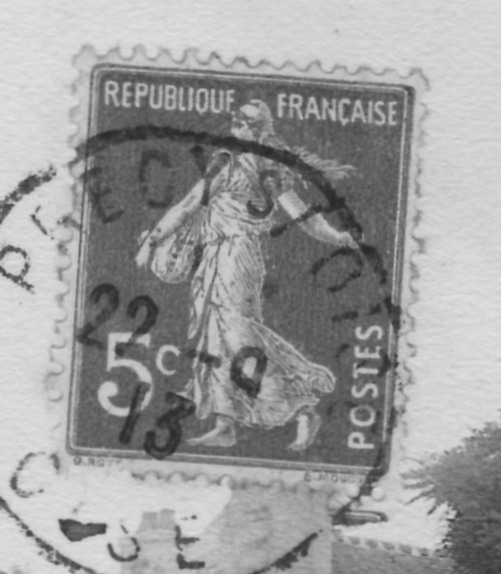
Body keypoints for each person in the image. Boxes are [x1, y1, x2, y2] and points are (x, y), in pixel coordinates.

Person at [133, 99, 361, 453]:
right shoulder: (255, 165)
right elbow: (304, 217)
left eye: (248, 124)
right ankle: (226, 424)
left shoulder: (249, 165)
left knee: (238, 338)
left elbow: (189, 205)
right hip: (219, 255)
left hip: (234, 255)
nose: (241, 129)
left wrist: (152, 241)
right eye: (240, 122)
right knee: (216, 337)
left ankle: (301, 407)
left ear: (256, 130)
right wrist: (338, 236)